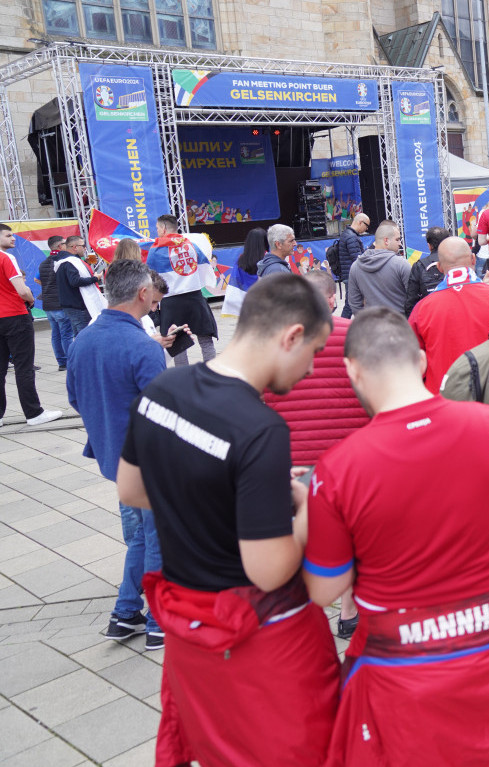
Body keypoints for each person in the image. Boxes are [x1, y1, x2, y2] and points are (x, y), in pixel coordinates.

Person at [302, 307, 489, 766]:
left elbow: (324, 588)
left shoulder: (339, 468)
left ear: (352, 370)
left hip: (403, 693)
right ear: (420, 361)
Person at [117, 273, 339, 765]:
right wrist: (306, 509)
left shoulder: (164, 388)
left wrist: (236, 498)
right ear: (292, 337)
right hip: (255, 640)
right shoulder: (260, 428)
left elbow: (132, 489)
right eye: (315, 352)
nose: (310, 370)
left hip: (186, 632)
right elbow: (269, 569)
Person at [262, 270, 370, 641]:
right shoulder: (355, 336)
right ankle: (350, 613)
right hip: (348, 464)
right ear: (329, 299)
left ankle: (302, 614)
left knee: (299, 540)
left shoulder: (277, 343)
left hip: (293, 466)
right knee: (352, 539)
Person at [66, 259, 168, 649]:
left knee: (140, 538)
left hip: (115, 461)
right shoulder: (141, 346)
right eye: (153, 299)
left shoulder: (82, 342)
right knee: (157, 539)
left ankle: (126, 613)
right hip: (150, 461)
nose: (155, 305)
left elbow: (76, 398)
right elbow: (163, 412)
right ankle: (158, 622)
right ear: (143, 293)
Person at [408, 236, 489, 394]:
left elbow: (413, 365)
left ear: (439, 267)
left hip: (443, 403)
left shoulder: (422, 309)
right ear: (473, 259)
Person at [0, 224, 61, 425]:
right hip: (15, 316)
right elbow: (21, 289)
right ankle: (33, 413)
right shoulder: (6, 258)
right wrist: (30, 299)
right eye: (8, 235)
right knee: (24, 366)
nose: (13, 239)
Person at [147, 214, 219, 365]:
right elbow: (204, 267)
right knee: (206, 340)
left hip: (171, 300)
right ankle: (213, 372)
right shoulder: (192, 245)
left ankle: (183, 378)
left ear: (164, 228)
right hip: (195, 296)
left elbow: (150, 276)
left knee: (178, 344)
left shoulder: (155, 250)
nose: (157, 231)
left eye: (158, 228)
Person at [348, 221, 410, 314]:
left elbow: (354, 304)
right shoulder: (401, 264)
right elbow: (413, 298)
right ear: (386, 241)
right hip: (400, 324)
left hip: (371, 325)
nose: (400, 243)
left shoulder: (355, 267)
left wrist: (366, 322)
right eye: (397, 239)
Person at [54, 236, 104, 337]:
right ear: (75, 247)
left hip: (71, 304)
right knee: (85, 337)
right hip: (77, 305)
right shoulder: (70, 262)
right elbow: (75, 281)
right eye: (83, 245)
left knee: (78, 336)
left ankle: (76, 353)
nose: (85, 248)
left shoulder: (65, 261)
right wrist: (95, 278)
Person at [37, 235, 71, 370]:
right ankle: (70, 361)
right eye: (65, 243)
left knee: (56, 334)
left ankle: (62, 362)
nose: (66, 245)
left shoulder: (44, 263)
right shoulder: (63, 261)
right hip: (59, 303)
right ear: (59, 246)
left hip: (48, 304)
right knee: (66, 334)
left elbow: (37, 279)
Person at [403, 226, 452, 315]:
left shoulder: (419, 266)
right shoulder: (456, 262)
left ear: (429, 246)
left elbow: (411, 301)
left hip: (428, 317)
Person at [336, 213, 371, 319]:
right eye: (366, 225)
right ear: (360, 222)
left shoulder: (347, 234)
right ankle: (340, 327)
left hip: (349, 275)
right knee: (350, 305)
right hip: (352, 276)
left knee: (351, 304)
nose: (366, 228)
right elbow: (358, 259)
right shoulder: (351, 237)